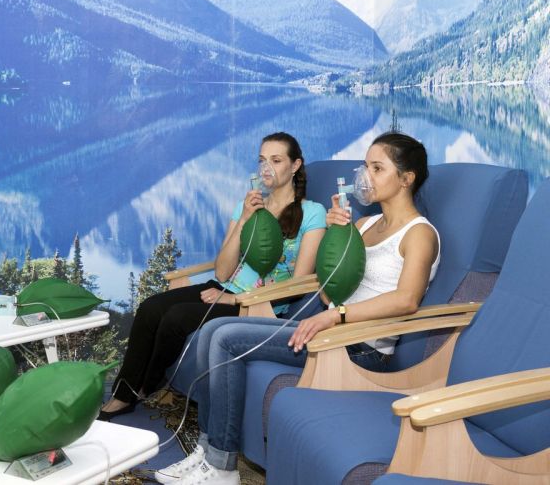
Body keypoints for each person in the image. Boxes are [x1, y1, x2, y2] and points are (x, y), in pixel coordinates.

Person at [158, 132, 440, 484]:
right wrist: (337, 234)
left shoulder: (419, 233)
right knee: (213, 330)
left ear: (406, 178)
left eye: (377, 168)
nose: (365, 177)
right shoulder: (363, 224)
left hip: (361, 347)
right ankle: (209, 450)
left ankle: (221, 467)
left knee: (226, 339)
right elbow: (332, 280)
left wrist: (335, 315)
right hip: (332, 329)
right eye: (365, 166)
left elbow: (407, 299)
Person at [99, 132, 327, 420]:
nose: (266, 168)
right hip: (221, 287)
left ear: (295, 166)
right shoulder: (248, 207)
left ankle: (147, 386)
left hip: (259, 304)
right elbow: (222, 271)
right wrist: (244, 219)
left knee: (176, 318)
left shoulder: (312, 213)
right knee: (149, 308)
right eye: (262, 160)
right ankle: (123, 394)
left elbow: (298, 284)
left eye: (276, 160)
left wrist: (236, 300)